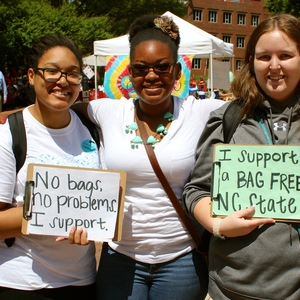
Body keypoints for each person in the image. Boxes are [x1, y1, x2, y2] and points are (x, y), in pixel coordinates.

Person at [72, 14, 224, 300]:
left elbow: (254, 107)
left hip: (181, 260)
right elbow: (59, 111)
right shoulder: (107, 111)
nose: (151, 76)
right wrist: (15, 120)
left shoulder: (202, 111)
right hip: (120, 259)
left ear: (177, 71)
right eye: (141, 69)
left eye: (162, 67)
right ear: (130, 73)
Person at [183, 13, 300, 299]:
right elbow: (195, 190)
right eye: (263, 57)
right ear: (250, 61)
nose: (274, 66)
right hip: (229, 289)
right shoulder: (227, 118)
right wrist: (218, 225)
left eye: (285, 55)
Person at [0, 34, 100, 299]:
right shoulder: (10, 134)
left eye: (72, 73)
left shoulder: (91, 129)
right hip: (20, 283)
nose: (63, 81)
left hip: (82, 281)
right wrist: (56, 210)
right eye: (52, 71)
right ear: (32, 76)